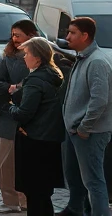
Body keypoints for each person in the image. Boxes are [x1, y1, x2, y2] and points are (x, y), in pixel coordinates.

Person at [0, 19, 39, 214]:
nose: (14, 39)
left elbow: (35, 85)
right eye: (13, 35)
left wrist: (17, 88)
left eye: (18, 35)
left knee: (25, 165)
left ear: (30, 36)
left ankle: (25, 202)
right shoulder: (7, 57)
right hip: (8, 117)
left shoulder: (40, 57)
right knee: (4, 162)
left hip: (29, 120)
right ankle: (9, 201)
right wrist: (10, 88)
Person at [60, 17, 112, 216]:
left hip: (90, 133)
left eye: (72, 33)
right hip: (75, 131)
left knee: (94, 182)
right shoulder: (84, 57)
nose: (67, 37)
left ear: (85, 35)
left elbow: (100, 100)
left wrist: (84, 128)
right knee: (77, 179)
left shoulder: (97, 61)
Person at [9, 37, 65, 216]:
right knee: (43, 193)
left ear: (38, 58)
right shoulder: (54, 75)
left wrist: (10, 107)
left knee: (34, 193)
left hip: (34, 140)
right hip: (50, 139)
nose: (24, 58)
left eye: (27, 54)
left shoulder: (35, 80)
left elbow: (25, 113)